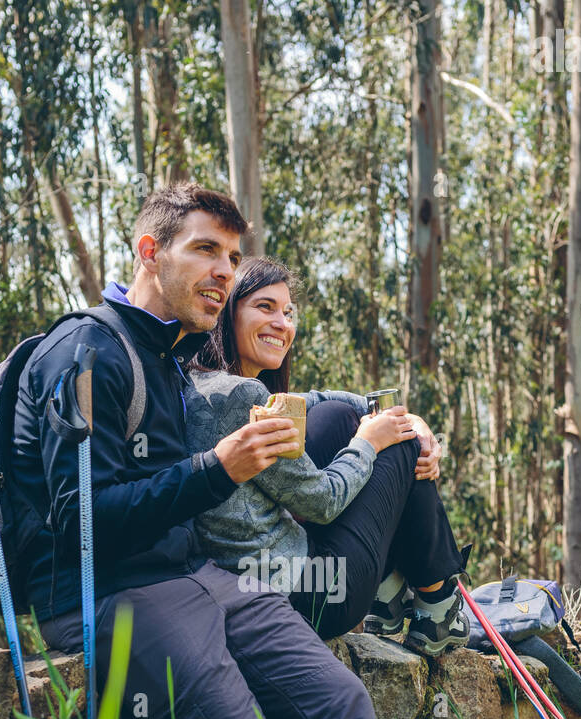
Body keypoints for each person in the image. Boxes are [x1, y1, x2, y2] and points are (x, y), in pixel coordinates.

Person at [10, 181, 469, 719]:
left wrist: (379, 415)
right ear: (150, 252)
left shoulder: (169, 355)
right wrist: (215, 471)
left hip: (201, 580)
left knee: (340, 705)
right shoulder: (85, 352)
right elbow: (80, 518)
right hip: (114, 596)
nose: (225, 272)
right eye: (205, 251)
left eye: (231, 256)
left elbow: (282, 396)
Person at [185, 256, 471, 654]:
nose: (282, 324)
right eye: (264, 307)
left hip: (258, 581)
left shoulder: (202, 385)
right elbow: (323, 502)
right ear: (226, 314)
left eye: (288, 312)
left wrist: (401, 416)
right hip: (314, 594)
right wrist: (372, 440)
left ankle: (388, 596)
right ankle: (437, 603)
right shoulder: (241, 397)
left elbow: (318, 399)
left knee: (337, 416)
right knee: (398, 441)